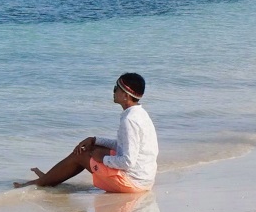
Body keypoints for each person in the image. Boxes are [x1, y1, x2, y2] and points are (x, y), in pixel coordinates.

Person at [14, 73, 158, 192]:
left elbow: (127, 162)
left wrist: (102, 159)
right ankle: (49, 178)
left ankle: (40, 183)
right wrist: (95, 140)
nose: (113, 91)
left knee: (82, 154)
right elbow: (123, 145)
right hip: (144, 179)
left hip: (133, 184)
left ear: (126, 95)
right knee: (91, 148)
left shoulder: (129, 121)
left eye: (116, 88)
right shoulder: (139, 114)